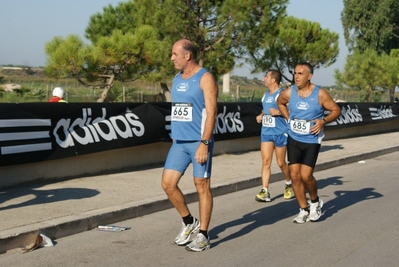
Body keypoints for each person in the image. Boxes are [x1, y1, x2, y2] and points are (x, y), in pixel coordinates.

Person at [161, 39, 218, 252]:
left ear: (188, 56)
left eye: (175, 54)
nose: (172, 58)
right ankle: (188, 221)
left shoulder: (205, 78)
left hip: (199, 142)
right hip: (180, 142)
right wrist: (176, 136)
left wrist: (204, 142)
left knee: (201, 186)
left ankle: (203, 234)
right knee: (168, 184)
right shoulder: (176, 78)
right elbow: (179, 109)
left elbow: (212, 112)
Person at [277, 62, 341, 224]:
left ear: (309, 76)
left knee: (306, 175)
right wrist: (288, 118)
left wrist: (323, 121)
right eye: (295, 73)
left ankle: (315, 202)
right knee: (295, 176)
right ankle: (303, 209)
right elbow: (279, 102)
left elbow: (336, 110)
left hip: (312, 140)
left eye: (300, 74)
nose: (296, 77)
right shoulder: (290, 92)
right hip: (293, 138)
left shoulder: (319, 94)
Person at [255, 69, 293, 202]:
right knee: (266, 162)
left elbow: (291, 112)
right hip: (266, 132)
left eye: (266, 76)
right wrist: (261, 115)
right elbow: (266, 110)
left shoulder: (282, 94)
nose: (264, 79)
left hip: (280, 133)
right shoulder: (265, 94)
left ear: (273, 80)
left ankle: (289, 184)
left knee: (281, 163)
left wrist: (278, 112)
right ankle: (265, 190)